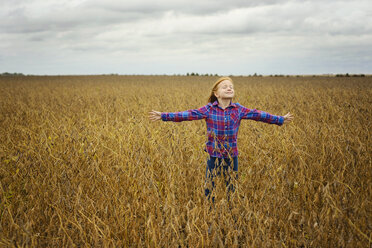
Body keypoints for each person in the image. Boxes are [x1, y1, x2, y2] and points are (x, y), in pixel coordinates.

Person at [149, 77, 294, 202]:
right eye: (224, 86)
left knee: (232, 186)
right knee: (209, 187)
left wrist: (279, 119)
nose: (229, 88)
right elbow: (187, 114)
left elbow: (259, 115)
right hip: (214, 155)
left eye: (231, 86)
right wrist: (163, 115)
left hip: (231, 156)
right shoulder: (209, 109)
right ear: (216, 93)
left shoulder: (239, 109)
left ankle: (231, 212)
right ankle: (210, 212)